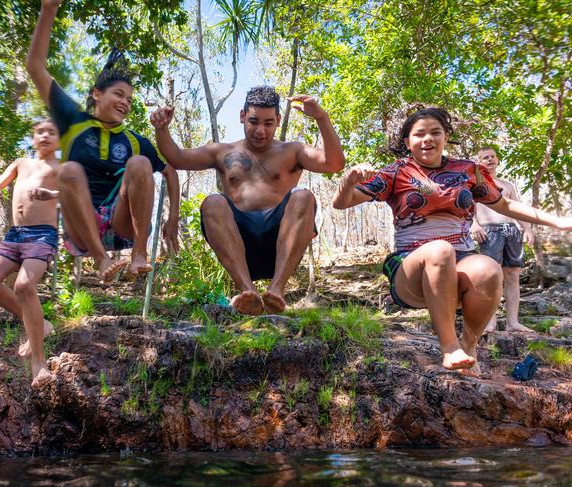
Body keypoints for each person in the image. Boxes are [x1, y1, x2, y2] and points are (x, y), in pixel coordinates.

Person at [332, 107, 572, 375]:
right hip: (411, 269)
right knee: (439, 250)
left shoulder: (468, 170)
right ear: (407, 141)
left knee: (489, 268)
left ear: (446, 136)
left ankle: (469, 345)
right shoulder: (396, 172)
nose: (427, 139)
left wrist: (558, 221)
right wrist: (349, 180)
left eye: (435, 132)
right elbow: (341, 203)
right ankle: (449, 346)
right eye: (419, 134)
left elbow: (505, 205)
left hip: (460, 264)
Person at [150, 86, 345, 315]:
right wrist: (161, 129)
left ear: (279, 120)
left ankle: (276, 292)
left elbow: (335, 163)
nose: (260, 130)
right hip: (238, 244)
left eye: (268, 123)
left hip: (281, 242)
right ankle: (248, 293)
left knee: (304, 196)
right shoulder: (222, 152)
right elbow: (177, 158)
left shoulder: (292, 151)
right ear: (242, 116)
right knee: (212, 202)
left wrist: (321, 117)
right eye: (254, 121)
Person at [26, 0, 180, 281]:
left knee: (140, 162)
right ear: (97, 94)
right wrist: (48, 9)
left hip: (120, 224)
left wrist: (172, 219)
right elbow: (36, 67)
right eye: (119, 94)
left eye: (130, 99)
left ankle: (139, 255)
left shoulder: (134, 140)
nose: (125, 102)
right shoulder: (74, 122)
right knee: (70, 169)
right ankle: (100, 259)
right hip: (81, 228)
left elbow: (170, 171)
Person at [0, 119, 60, 388]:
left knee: (24, 285)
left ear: (59, 139)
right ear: (33, 138)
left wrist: (50, 193)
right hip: (15, 235)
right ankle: (39, 323)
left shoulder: (61, 167)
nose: (44, 136)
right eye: (39, 132)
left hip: (42, 234)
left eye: (51, 132)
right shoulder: (20, 163)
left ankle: (39, 363)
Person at [471, 147, 534, 333]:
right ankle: (489, 322)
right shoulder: (475, 184)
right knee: (492, 276)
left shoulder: (507, 185)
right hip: (489, 231)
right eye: (485, 157)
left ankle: (512, 322)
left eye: (492, 157)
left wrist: (527, 228)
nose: (489, 160)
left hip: (511, 230)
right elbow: (466, 208)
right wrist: (474, 225)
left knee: (513, 275)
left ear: (497, 160)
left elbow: (517, 209)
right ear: (479, 162)